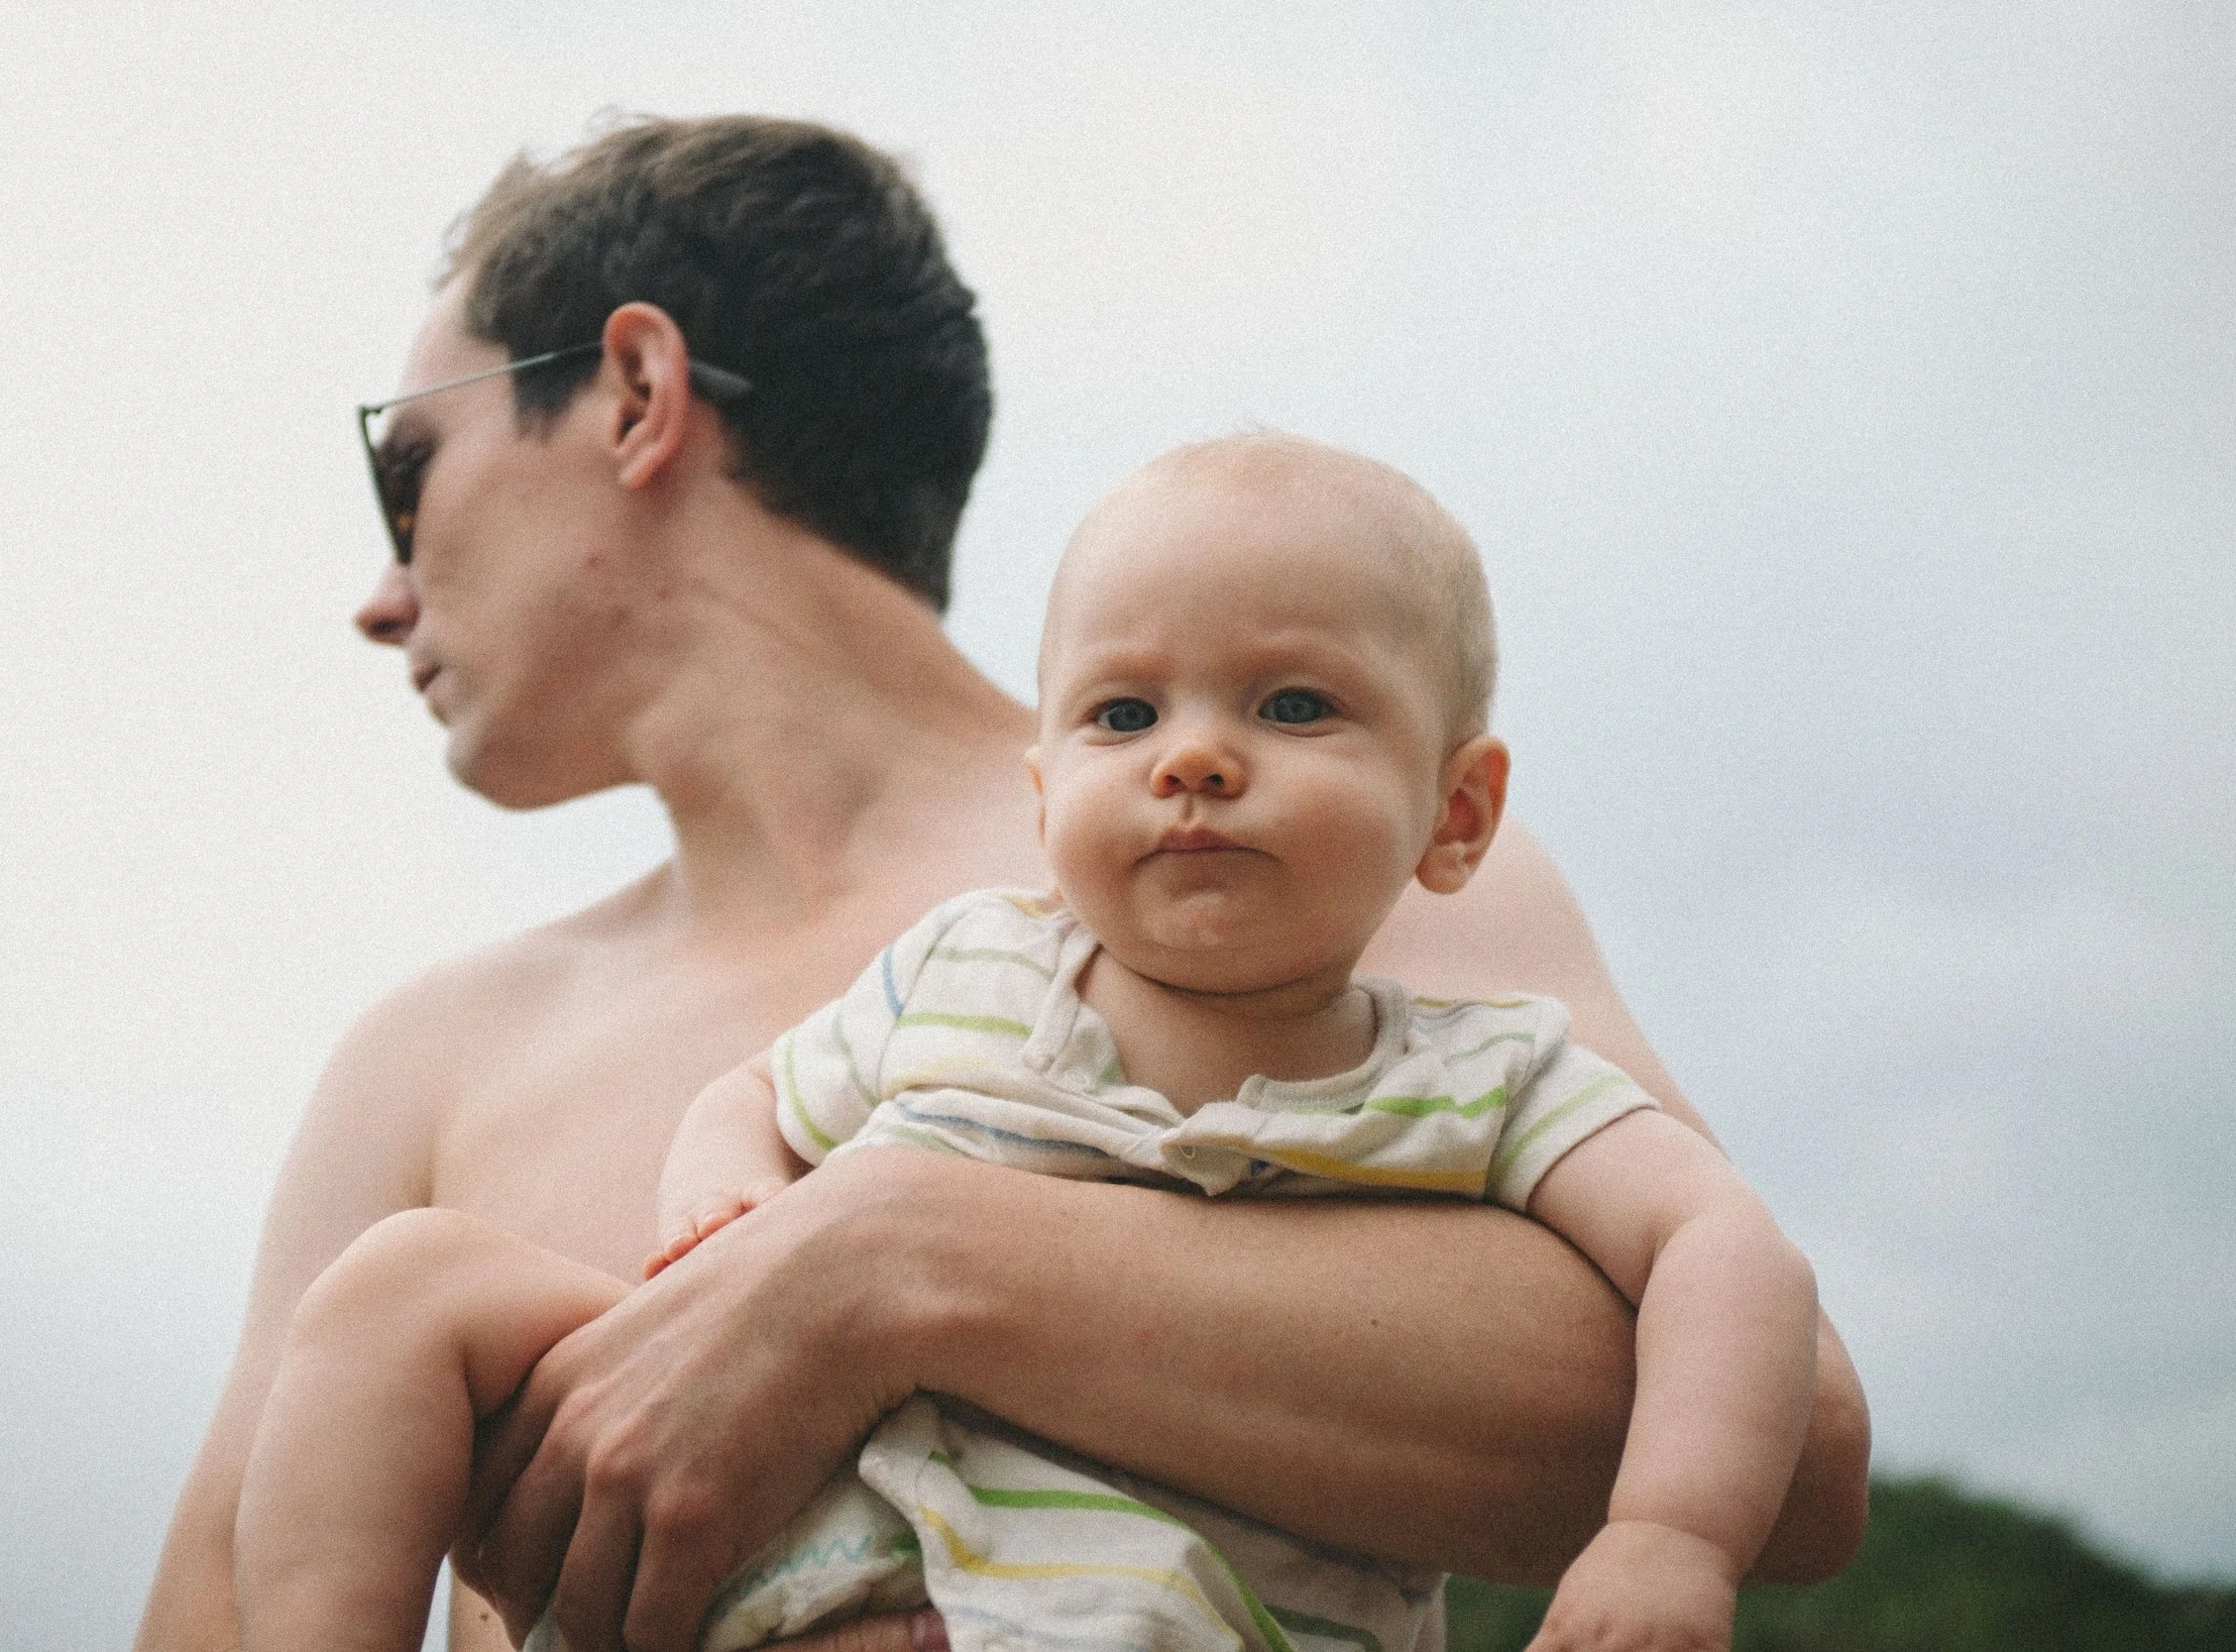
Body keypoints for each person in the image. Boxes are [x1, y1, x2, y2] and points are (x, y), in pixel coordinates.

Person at [135, 114, 1869, 1652]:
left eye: (403, 467)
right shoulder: (421, 1064)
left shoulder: (1313, 860)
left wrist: (900, 1259)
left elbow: (1794, 1455)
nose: (378, 592)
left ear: (636, 392)